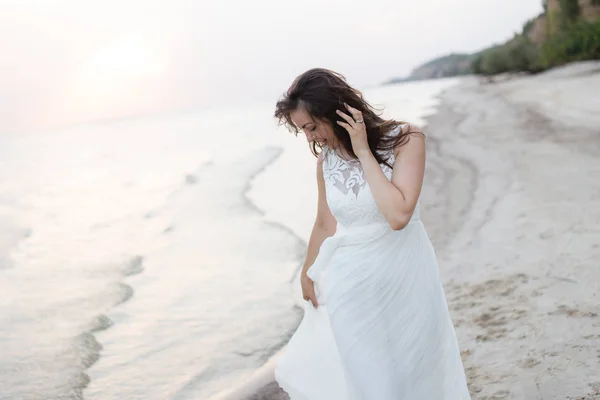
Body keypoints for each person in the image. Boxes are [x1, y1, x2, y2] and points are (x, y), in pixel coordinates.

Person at [272, 68, 471, 400]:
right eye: (302, 131)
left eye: (311, 127)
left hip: (405, 277)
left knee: (417, 369)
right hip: (350, 284)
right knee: (369, 377)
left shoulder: (407, 140)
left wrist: (364, 152)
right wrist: (307, 272)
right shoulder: (326, 161)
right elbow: (325, 221)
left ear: (335, 111)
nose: (309, 138)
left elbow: (398, 215)